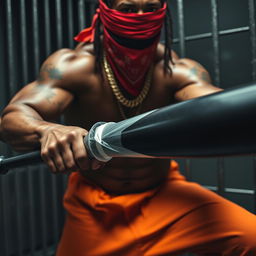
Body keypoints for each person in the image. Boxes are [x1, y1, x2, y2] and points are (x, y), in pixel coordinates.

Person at [1, 0, 256, 255]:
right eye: (127, 9)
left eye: (151, 8)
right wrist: (46, 130)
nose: (141, 17)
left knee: (250, 237)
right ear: (105, 11)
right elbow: (13, 117)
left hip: (164, 195)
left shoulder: (176, 70)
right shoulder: (74, 66)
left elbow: (218, 108)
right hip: (95, 205)